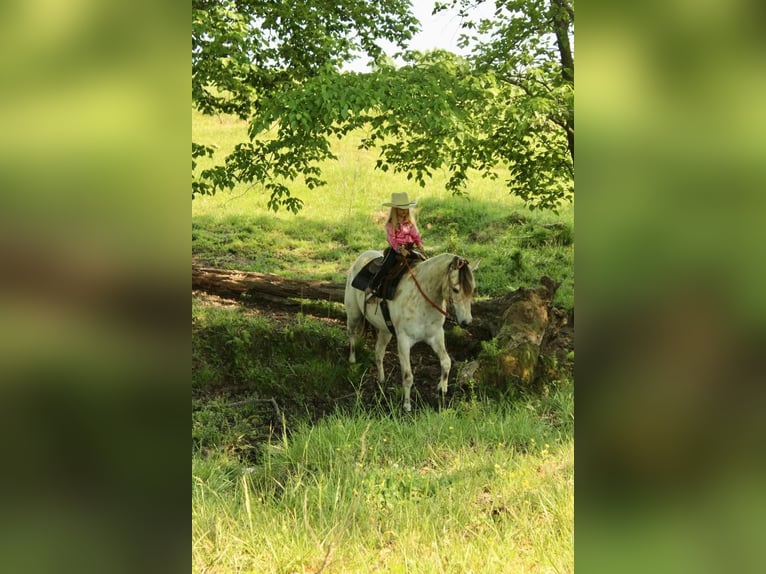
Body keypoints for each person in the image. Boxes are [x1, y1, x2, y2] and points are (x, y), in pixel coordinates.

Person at [366, 192, 425, 300]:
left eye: (405, 209)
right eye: (401, 209)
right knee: (386, 266)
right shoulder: (391, 224)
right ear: (395, 210)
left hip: (409, 248)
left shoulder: (409, 223)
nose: (404, 211)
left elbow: (415, 234)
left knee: (423, 261)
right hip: (395, 249)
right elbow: (391, 239)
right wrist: (400, 249)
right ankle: (373, 287)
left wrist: (419, 243)